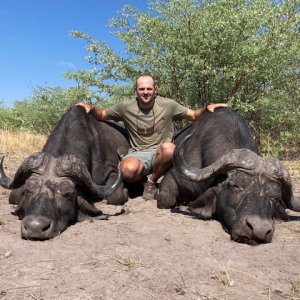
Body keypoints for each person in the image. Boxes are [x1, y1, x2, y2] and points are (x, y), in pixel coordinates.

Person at [77, 74, 227, 200]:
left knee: (169, 149)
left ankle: (151, 182)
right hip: (138, 152)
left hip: (162, 152)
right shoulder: (125, 106)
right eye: (142, 89)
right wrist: (90, 109)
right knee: (127, 170)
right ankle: (139, 181)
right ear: (135, 90)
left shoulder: (168, 105)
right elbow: (103, 114)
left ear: (155, 89)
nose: (146, 92)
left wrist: (207, 108)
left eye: (149, 88)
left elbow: (193, 115)